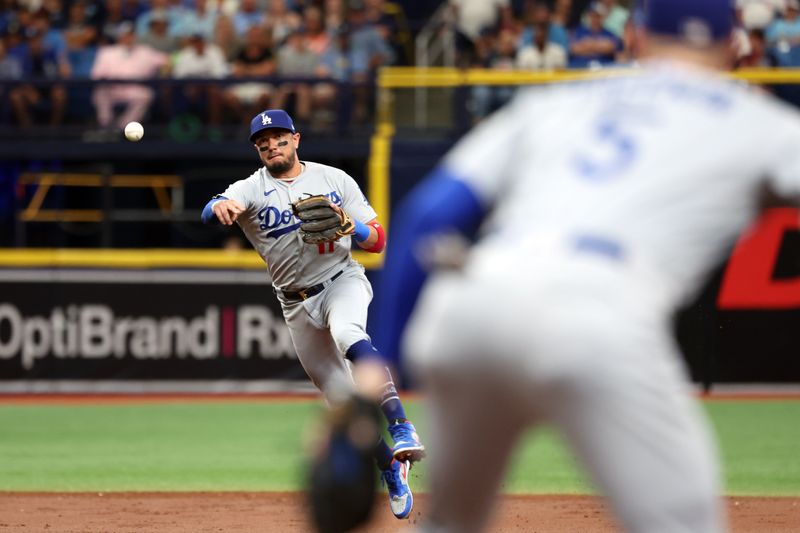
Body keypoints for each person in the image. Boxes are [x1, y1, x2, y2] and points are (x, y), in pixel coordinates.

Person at [360, 0, 800, 531]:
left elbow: (427, 217)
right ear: (738, 46)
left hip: (474, 299)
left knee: (452, 522)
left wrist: (370, 388)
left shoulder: (556, 101)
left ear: (634, 37)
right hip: (599, 313)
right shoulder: (763, 124)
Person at [200, 109, 425, 521]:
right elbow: (215, 205)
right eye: (262, 141)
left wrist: (351, 228)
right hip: (294, 302)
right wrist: (220, 206)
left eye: (279, 137)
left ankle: (401, 425)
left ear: (296, 139)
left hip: (342, 280)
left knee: (346, 331)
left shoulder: (334, 180)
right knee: (340, 400)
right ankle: (391, 467)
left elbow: (377, 241)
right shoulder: (251, 186)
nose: (271, 144)